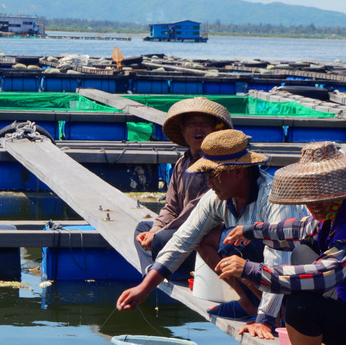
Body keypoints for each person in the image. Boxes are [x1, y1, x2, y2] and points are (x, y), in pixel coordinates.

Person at [118, 129, 309, 340]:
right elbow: (184, 239)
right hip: (258, 269)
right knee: (209, 238)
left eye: (213, 175)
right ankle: (250, 303)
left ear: (238, 172)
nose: (209, 183)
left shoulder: (272, 197)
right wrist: (144, 288)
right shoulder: (217, 197)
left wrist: (265, 321)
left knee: (236, 245)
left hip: (297, 278)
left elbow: (279, 260)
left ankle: (274, 313)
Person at [217, 141, 346, 345]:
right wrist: (249, 231)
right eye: (309, 197)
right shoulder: (338, 212)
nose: (313, 204)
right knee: (302, 252)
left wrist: (251, 269)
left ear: (339, 191)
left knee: (300, 306)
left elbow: (324, 275)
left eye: (320, 196)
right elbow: (299, 227)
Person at [134, 97, 233, 276]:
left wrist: (158, 234)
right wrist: (155, 230)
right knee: (142, 228)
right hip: (179, 230)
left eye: (205, 124)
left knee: (161, 239)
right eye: (192, 124)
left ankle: (161, 269)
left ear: (214, 130)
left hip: (206, 234)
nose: (199, 129)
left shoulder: (217, 164)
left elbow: (196, 211)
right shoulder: (182, 163)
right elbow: (171, 207)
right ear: (182, 129)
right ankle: (151, 271)